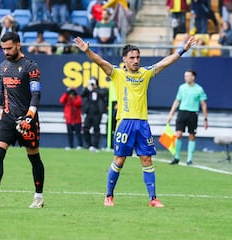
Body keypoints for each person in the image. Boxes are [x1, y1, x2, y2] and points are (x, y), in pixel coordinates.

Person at [73, 35, 195, 207]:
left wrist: (182, 50)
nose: (136, 61)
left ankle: (153, 198)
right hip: (125, 123)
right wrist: (87, 51)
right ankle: (109, 196)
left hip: (143, 124)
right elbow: (100, 61)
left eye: (138, 57)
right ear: (124, 59)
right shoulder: (118, 74)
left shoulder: (145, 74)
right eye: (132, 58)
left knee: (147, 160)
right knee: (120, 160)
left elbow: (165, 62)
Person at [0, 32, 45, 208]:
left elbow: (36, 93)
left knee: (34, 158)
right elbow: (2, 91)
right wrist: (1, 112)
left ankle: (38, 197)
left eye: (9, 48)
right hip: (7, 118)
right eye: (3, 48)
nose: (5, 51)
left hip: (27, 119)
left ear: (18, 45)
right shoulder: (3, 66)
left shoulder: (30, 66)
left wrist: (30, 116)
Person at [167, 70, 208, 165]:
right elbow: (177, 101)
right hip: (182, 112)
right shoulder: (181, 88)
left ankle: (189, 159)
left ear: (193, 77)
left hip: (193, 114)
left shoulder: (199, 89)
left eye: (188, 76)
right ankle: (176, 157)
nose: (186, 78)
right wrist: (171, 114)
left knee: (192, 136)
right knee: (178, 134)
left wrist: (205, 119)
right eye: (185, 76)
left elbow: (203, 105)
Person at [81, 77, 107, 151]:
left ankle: (95, 145)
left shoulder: (100, 90)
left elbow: (103, 95)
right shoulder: (88, 91)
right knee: (85, 128)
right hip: (89, 113)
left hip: (97, 113)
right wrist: (88, 87)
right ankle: (89, 145)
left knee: (96, 129)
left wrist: (95, 88)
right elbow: (82, 95)